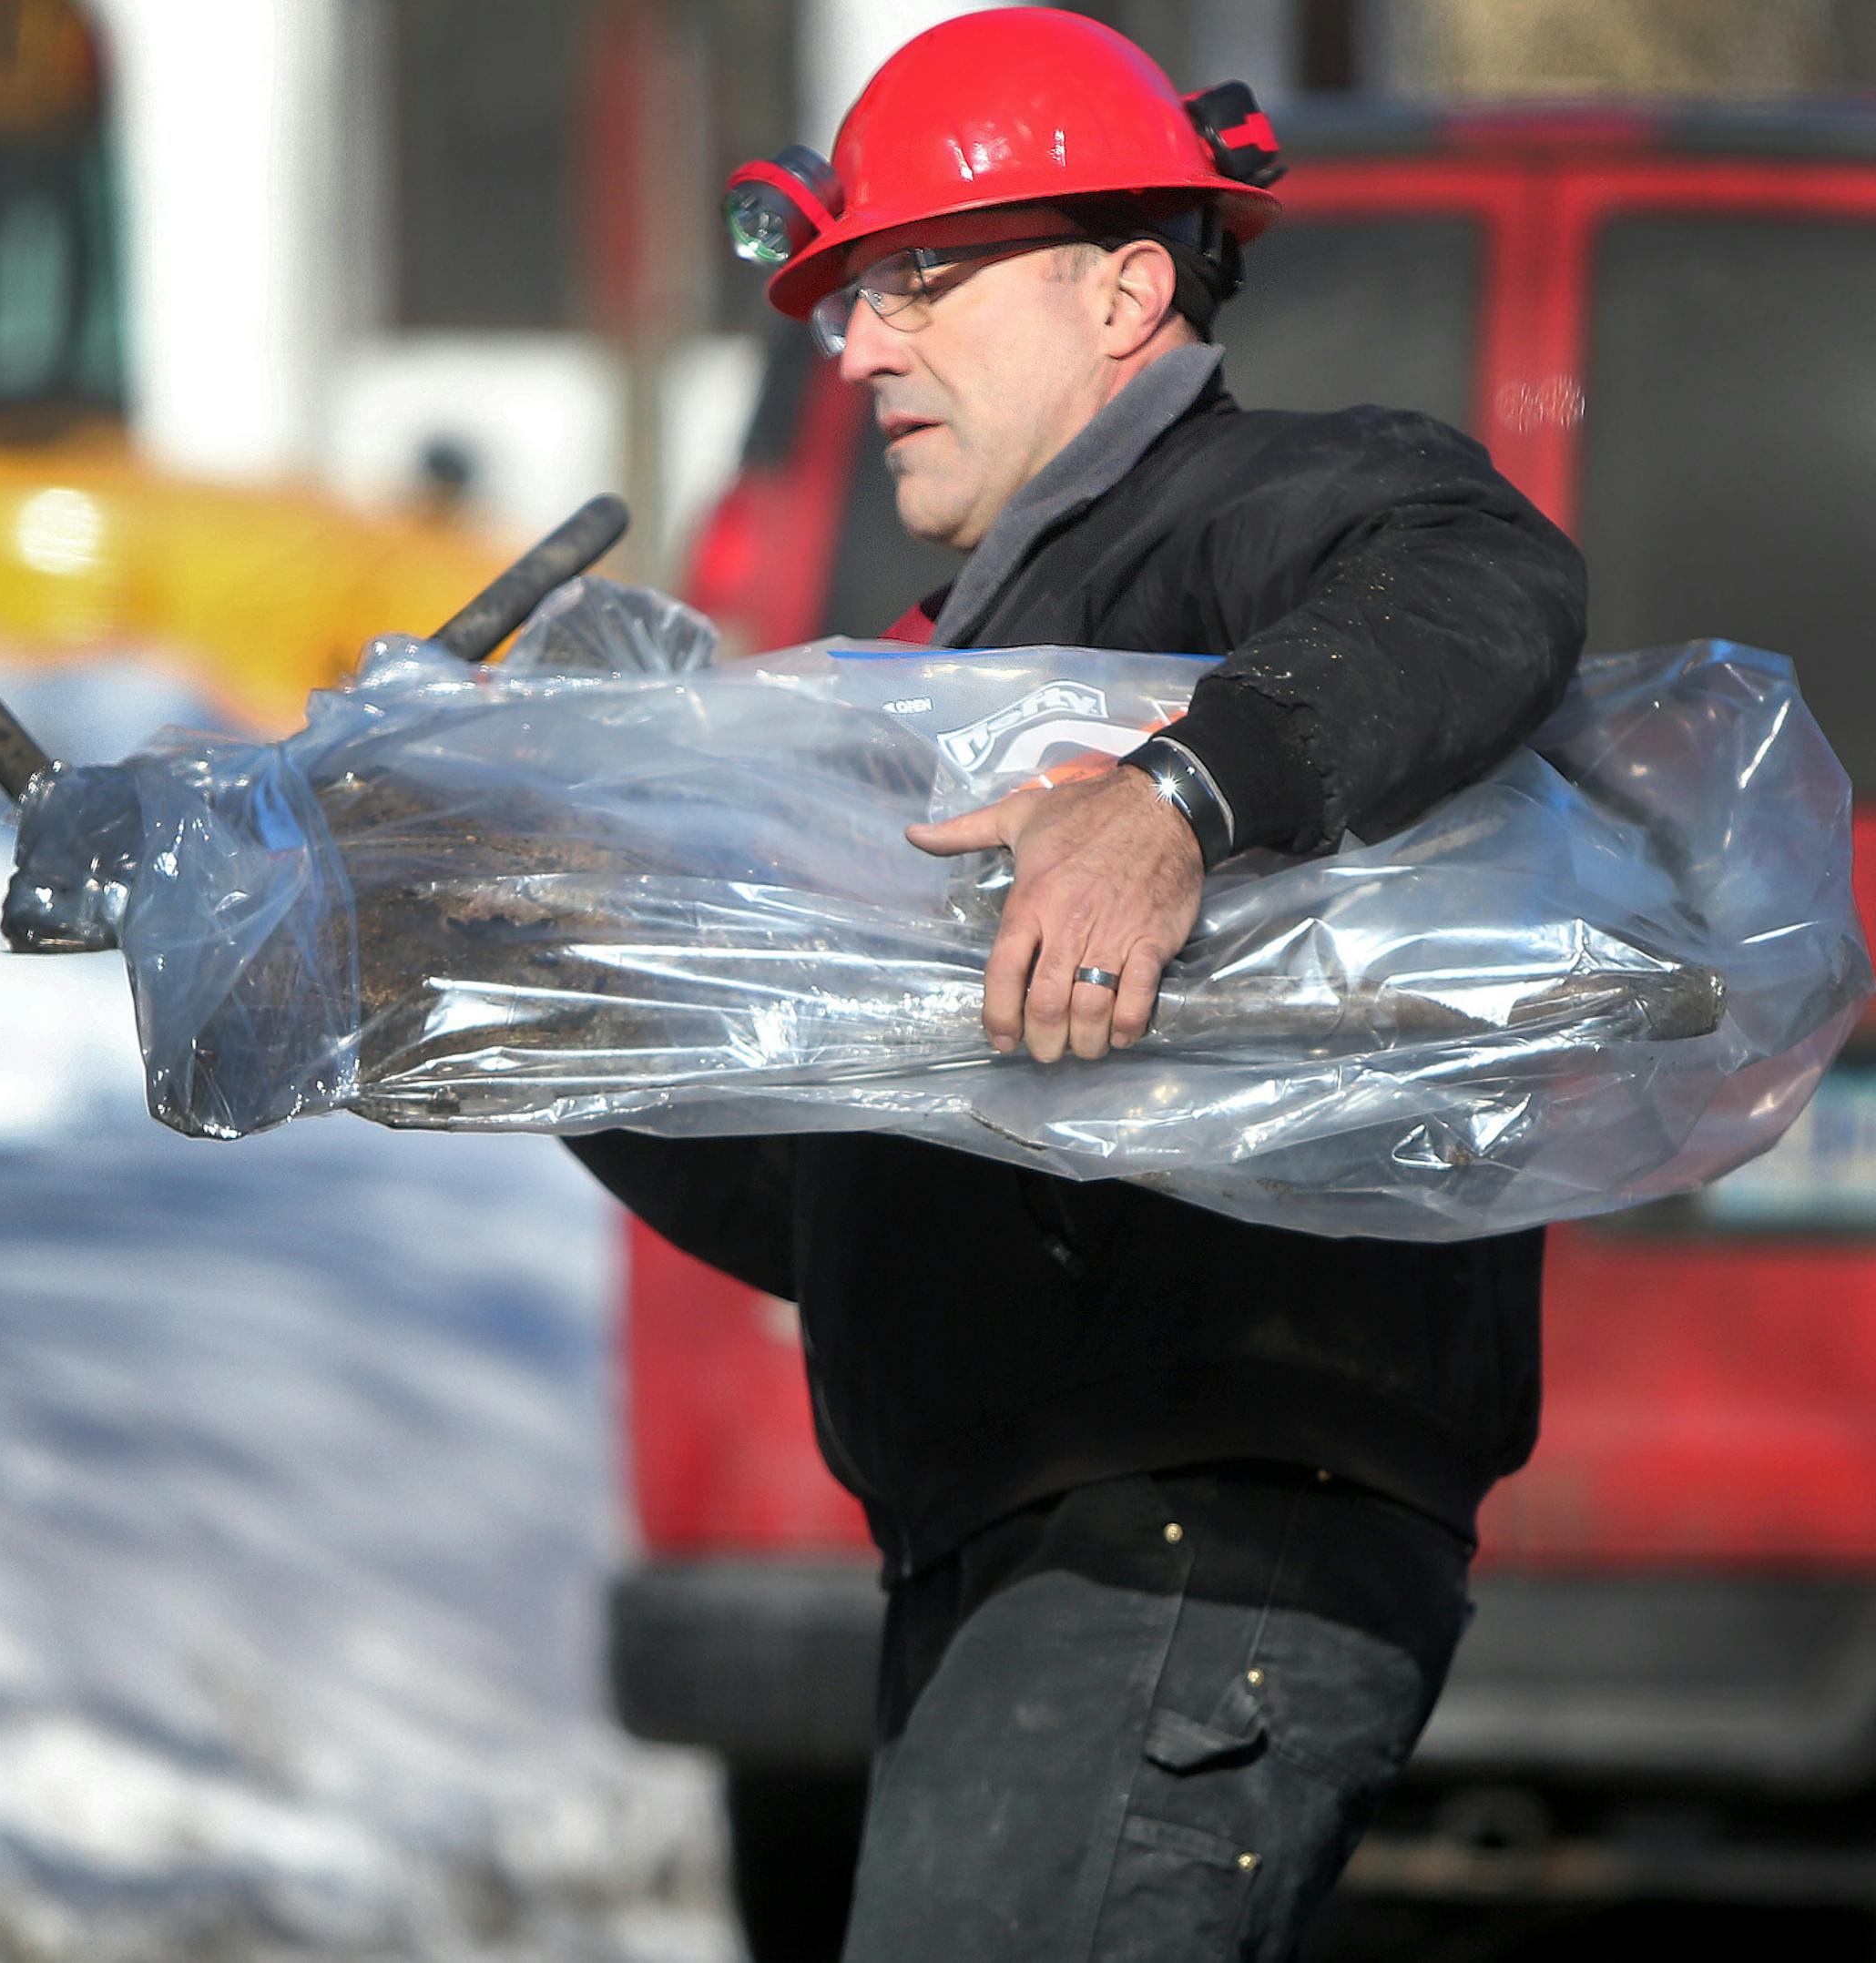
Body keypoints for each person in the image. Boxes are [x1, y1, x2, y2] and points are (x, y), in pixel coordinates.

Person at [568, 12, 1586, 1958]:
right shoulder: (974, 668)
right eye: (852, 298)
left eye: (917, 281)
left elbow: (1480, 580)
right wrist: (501, 984)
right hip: (1040, 1548)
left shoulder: (1254, 514)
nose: (858, 348)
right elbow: (846, 1182)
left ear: (1127, 287)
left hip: (1195, 1531)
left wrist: (1184, 799)